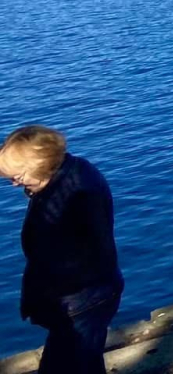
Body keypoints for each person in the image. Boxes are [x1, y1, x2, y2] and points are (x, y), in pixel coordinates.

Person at [0, 126, 122, 374]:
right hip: (90, 295)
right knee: (85, 362)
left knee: (64, 366)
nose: (15, 184)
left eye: (19, 177)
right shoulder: (71, 170)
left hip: (81, 301)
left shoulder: (70, 197)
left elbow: (65, 255)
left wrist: (52, 302)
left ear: (42, 166)